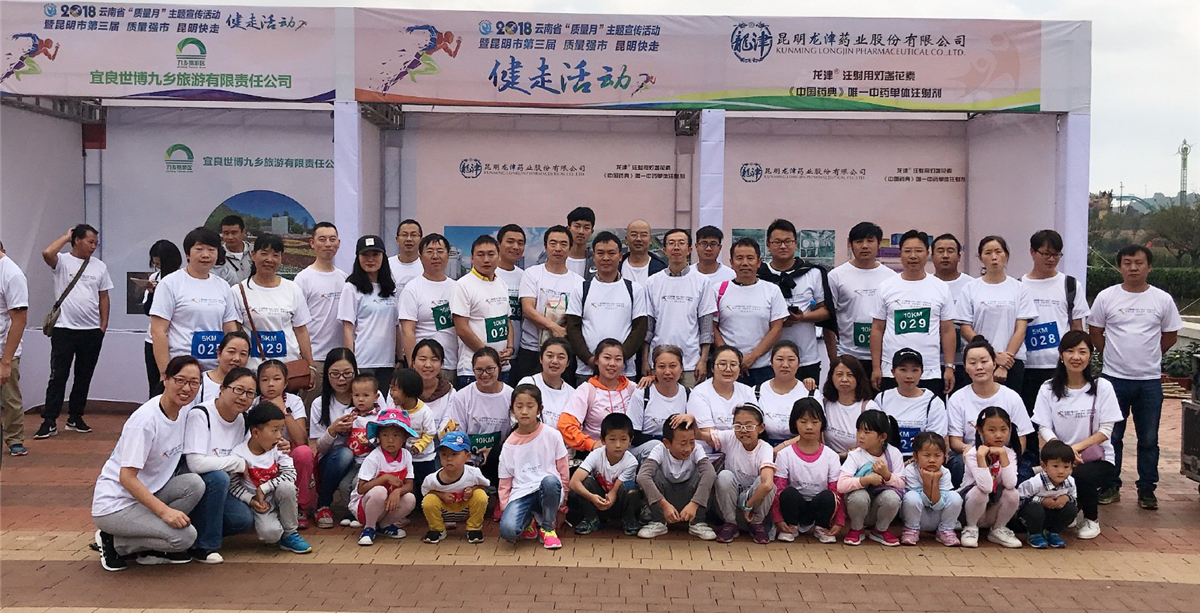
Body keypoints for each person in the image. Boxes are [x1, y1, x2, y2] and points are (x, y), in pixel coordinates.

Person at [1088, 244, 1182, 510]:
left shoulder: (1162, 299)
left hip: (1149, 382)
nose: (1133, 268)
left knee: (1149, 438)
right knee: (1112, 436)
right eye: (1127, 263)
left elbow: (1170, 335)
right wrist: (1110, 355)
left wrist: (1151, 355)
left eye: (1139, 263)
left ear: (1149, 267)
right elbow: (1095, 331)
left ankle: (1147, 489)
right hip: (1113, 380)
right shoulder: (1107, 297)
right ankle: (1110, 485)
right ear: (1119, 267)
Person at [91, 356, 207, 571]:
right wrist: (165, 512)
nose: (186, 388)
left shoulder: (184, 410)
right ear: (165, 379)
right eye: (180, 380)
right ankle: (114, 542)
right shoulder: (145, 421)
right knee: (185, 538)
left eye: (194, 382)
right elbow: (126, 478)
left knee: (194, 484)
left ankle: (150, 543)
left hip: (149, 494)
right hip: (116, 505)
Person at [1032, 330, 1120, 540]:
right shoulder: (1048, 388)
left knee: (1083, 475)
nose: (1076, 357)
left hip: (1097, 458)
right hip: (1059, 458)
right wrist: (1063, 452)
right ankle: (1069, 511)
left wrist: (1073, 450)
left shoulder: (1102, 387)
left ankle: (1091, 519)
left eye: (1082, 351)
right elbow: (1043, 426)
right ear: (1061, 355)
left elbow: (1105, 431)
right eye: (1070, 351)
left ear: (1090, 355)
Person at [36, 224, 113, 437]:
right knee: (58, 375)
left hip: (91, 330)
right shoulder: (62, 261)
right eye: (90, 242)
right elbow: (47, 253)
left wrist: (103, 326)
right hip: (64, 328)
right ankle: (49, 419)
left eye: (96, 243)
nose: (93, 246)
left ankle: (75, 416)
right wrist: (65, 236)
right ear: (77, 240)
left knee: (83, 376)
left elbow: (104, 296)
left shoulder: (99, 267)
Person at [1020, 229, 1089, 456]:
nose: (1051, 259)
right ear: (1032, 252)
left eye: (1056, 254)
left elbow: (1077, 328)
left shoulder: (1070, 285)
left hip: (1058, 366)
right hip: (1027, 365)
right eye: (1046, 253)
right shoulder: (1019, 285)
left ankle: (1064, 461)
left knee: (1061, 418)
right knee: (1028, 420)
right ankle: (1030, 462)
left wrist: (1078, 361)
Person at [182, 367, 257, 564]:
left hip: (224, 488)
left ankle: (192, 534)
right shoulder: (201, 414)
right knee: (218, 476)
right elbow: (195, 464)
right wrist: (235, 462)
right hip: (193, 486)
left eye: (250, 393)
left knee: (242, 520)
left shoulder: (243, 420)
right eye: (238, 390)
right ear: (222, 389)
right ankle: (206, 546)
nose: (243, 397)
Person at [150, 227, 239, 390]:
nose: (206, 255)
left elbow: (230, 329)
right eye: (199, 249)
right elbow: (158, 331)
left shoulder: (223, 286)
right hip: (181, 369)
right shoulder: (170, 283)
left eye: (211, 250)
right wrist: (165, 373)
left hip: (216, 371)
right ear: (188, 254)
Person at [870, 230, 956, 397]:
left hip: (929, 371)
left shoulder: (941, 287)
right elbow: (877, 329)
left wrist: (949, 367)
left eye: (918, 251)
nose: (913, 256)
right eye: (908, 251)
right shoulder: (886, 287)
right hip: (892, 370)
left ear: (927, 254)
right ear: (900, 254)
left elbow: (947, 330)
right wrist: (876, 367)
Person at [946, 338, 1036, 486]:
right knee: (958, 465)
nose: (979, 367)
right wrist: (970, 451)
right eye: (972, 363)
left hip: (1005, 454)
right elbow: (954, 440)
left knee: (1023, 474)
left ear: (994, 363)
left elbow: (1021, 438)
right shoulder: (957, 399)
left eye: (984, 361)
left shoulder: (1011, 397)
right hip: (973, 456)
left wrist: (1007, 456)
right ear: (966, 367)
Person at [956, 236, 1037, 395]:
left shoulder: (1020, 289)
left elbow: (1021, 329)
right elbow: (965, 328)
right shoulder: (970, 288)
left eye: (998, 252)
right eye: (988, 253)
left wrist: (1004, 364)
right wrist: (991, 355)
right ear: (980, 258)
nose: (994, 257)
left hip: (1011, 361)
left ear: (1006, 255)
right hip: (978, 361)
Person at [229, 402, 312, 554]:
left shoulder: (278, 448)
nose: (279, 435)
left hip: (279, 496)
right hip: (261, 505)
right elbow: (233, 486)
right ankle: (276, 528)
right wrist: (251, 500)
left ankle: (290, 533)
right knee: (271, 536)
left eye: (281, 430)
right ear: (256, 433)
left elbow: (290, 475)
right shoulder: (238, 454)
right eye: (274, 430)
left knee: (287, 487)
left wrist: (264, 488)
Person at [566, 232, 648, 383]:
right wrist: (590, 359)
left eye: (611, 253)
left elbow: (639, 329)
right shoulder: (581, 289)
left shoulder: (634, 289)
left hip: (624, 372)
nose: (605, 258)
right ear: (593, 256)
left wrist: (618, 360)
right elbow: (573, 329)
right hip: (587, 370)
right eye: (600, 253)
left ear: (620, 256)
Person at [689, 405, 776, 544]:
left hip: (754, 505)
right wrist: (691, 419)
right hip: (732, 504)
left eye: (749, 426)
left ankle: (757, 524)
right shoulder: (731, 437)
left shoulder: (765, 448)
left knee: (765, 481)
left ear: (761, 428)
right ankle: (730, 524)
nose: (743, 430)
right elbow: (699, 435)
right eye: (738, 426)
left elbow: (767, 485)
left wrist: (749, 505)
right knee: (724, 476)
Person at [497, 384, 569, 549]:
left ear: (539, 409)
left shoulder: (552, 435)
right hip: (522, 492)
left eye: (530, 406)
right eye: (519, 406)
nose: (524, 411)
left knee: (550, 481)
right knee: (508, 531)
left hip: (548, 490)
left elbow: (563, 468)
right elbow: (505, 481)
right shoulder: (509, 444)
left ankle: (548, 528)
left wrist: (564, 499)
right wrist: (506, 509)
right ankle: (528, 521)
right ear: (512, 410)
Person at [758, 219, 829, 383]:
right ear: (768, 245)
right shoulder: (759, 275)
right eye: (777, 242)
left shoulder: (813, 273)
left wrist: (802, 317)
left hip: (806, 358)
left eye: (788, 241)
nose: (783, 246)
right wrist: (777, 320)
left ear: (796, 244)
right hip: (767, 359)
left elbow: (826, 310)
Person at [643, 228, 716, 387]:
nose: (676, 247)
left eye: (681, 243)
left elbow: (706, 327)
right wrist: (645, 360)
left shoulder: (702, 282)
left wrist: (703, 360)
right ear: (664, 250)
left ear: (689, 249)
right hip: (659, 361)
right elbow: (648, 327)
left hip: (691, 362)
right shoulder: (652, 282)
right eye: (671, 243)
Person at [232, 233, 314, 372]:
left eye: (275, 255)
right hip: (253, 370)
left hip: (289, 369)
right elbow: (234, 333)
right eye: (264, 254)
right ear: (253, 255)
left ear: (281, 259)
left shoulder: (292, 289)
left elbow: (301, 331)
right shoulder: (238, 291)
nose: (269, 260)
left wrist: (309, 365)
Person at [825, 222, 896, 378]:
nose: (864, 246)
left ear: (879, 244)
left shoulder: (891, 277)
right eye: (859, 241)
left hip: (883, 357)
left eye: (870, 241)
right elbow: (829, 322)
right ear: (850, 244)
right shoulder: (836, 276)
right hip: (848, 355)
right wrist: (834, 360)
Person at [713, 238, 787, 386]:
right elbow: (712, 327)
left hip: (763, 367)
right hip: (727, 369)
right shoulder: (718, 290)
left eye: (750, 258)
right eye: (739, 258)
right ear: (731, 262)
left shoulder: (772, 290)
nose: (745, 263)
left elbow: (777, 328)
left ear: (758, 262)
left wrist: (753, 356)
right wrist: (731, 359)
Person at [771, 398, 843, 544]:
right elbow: (778, 489)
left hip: (819, 506)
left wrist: (840, 521)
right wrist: (778, 519)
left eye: (815, 422)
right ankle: (791, 526)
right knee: (788, 493)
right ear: (795, 423)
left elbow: (837, 491)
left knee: (829, 496)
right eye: (803, 422)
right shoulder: (785, 454)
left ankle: (821, 527)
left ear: (822, 424)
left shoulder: (831, 456)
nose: (809, 427)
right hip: (795, 506)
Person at [515, 226, 582, 383]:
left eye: (563, 244)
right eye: (553, 243)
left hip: (562, 352)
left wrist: (564, 331)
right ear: (545, 246)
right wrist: (554, 327)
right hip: (532, 350)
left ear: (570, 248)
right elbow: (528, 309)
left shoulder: (579, 282)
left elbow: (578, 317)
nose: (558, 248)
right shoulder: (532, 274)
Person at [635, 417, 718, 540]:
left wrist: (694, 504)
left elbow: (710, 474)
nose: (688, 448)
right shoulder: (659, 450)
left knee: (706, 474)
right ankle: (658, 521)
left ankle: (697, 522)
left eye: (692, 442)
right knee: (652, 474)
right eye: (683, 443)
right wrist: (664, 505)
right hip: (666, 498)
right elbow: (642, 476)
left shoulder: (697, 450)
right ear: (667, 443)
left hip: (690, 497)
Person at [255, 359, 314, 529]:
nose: (270, 384)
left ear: (286, 382)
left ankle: (300, 506)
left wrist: (283, 411)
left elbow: (301, 440)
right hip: (263, 453)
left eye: (276, 379)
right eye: (264, 379)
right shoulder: (253, 403)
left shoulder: (294, 401)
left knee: (303, 452)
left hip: (289, 451)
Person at [440, 348, 514, 484]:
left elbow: (516, 433)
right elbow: (459, 434)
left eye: (490, 369)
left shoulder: (510, 395)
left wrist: (494, 451)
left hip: (500, 457)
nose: (485, 374)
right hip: (468, 460)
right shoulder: (462, 396)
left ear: (499, 367)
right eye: (479, 370)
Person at [293, 222, 346, 409]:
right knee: (310, 410)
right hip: (314, 358)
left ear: (338, 243)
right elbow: (297, 323)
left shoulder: (345, 278)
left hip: (340, 358)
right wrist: (307, 361)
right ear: (312, 243)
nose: (328, 244)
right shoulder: (303, 279)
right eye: (322, 239)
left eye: (332, 239)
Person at [338, 235, 400, 391]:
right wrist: (350, 363)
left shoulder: (391, 288)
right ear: (358, 258)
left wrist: (400, 358)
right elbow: (348, 328)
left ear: (383, 257)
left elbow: (396, 326)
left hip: (387, 363)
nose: (370, 259)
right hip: (363, 362)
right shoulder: (351, 288)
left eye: (375, 254)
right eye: (365, 255)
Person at [451, 236, 513, 388]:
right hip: (474, 371)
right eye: (480, 254)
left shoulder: (501, 283)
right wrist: (489, 356)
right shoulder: (463, 285)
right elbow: (462, 329)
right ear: (472, 258)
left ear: (499, 256)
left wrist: (510, 348)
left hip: (502, 368)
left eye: (491, 254)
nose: (486, 259)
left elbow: (507, 320)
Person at [310, 348, 362, 529]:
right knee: (345, 454)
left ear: (356, 372)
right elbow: (319, 449)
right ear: (326, 375)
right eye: (335, 374)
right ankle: (323, 504)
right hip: (333, 461)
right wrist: (332, 431)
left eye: (347, 373)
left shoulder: (369, 396)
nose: (341, 379)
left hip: (365, 457)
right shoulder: (319, 404)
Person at [558, 338, 640, 453]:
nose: (612, 364)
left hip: (627, 451)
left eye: (618, 359)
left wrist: (651, 379)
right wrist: (591, 444)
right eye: (607, 358)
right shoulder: (587, 390)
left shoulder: (632, 389)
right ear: (596, 360)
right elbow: (565, 425)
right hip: (597, 452)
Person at [567, 413, 642, 536]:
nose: (618, 445)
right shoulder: (596, 454)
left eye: (623, 439)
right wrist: (592, 497)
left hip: (618, 501)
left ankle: (629, 519)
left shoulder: (631, 462)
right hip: (597, 499)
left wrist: (609, 500)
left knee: (630, 488)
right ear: (602, 440)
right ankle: (591, 518)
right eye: (612, 439)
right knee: (586, 481)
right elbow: (574, 482)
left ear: (630, 440)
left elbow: (615, 489)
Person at [351, 408, 418, 546]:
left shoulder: (406, 455)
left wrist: (397, 492)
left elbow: (409, 484)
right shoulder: (374, 457)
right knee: (379, 491)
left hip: (387, 506)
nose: (390, 440)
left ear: (404, 438)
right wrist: (384, 478)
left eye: (396, 435)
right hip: (366, 507)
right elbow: (361, 489)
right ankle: (369, 528)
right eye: (385, 435)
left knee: (410, 499)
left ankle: (384, 526)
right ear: (378, 437)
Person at [837, 410, 903, 546]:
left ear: (882, 437)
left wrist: (887, 475)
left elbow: (902, 484)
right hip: (858, 507)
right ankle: (856, 529)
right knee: (858, 496)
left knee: (892, 497)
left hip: (879, 507)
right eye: (858, 431)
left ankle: (880, 530)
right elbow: (841, 485)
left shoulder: (894, 453)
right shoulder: (855, 455)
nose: (861, 436)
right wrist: (865, 480)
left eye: (867, 432)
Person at [959, 407, 1022, 549]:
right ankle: (970, 528)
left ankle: (999, 528)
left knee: (1012, 493)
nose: (998, 435)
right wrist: (981, 457)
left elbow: (1010, 483)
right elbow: (986, 487)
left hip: (993, 507)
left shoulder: (1010, 453)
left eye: (1003, 430)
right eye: (992, 430)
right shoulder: (973, 454)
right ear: (980, 430)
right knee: (979, 492)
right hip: (970, 507)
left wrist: (1003, 455)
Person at [399, 233, 459, 376]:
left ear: (447, 255)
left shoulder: (457, 287)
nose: (435, 256)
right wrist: (413, 366)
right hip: (423, 367)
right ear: (420, 257)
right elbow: (408, 331)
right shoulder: (412, 288)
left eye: (440, 251)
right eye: (430, 251)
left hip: (451, 363)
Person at [873, 349, 948, 459]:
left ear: (922, 372)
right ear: (893, 372)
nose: (909, 376)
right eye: (903, 370)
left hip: (920, 462)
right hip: (885, 460)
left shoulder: (933, 403)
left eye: (915, 370)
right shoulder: (882, 399)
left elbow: (935, 442)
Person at [421, 430, 491, 544]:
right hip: (444, 511)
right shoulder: (432, 479)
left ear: (467, 457)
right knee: (429, 500)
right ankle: (437, 529)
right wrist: (441, 495)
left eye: (454, 454)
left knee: (480, 495)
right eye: (444, 454)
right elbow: (426, 492)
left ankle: (474, 528)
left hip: (466, 509)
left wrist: (472, 490)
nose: (449, 459)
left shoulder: (474, 473)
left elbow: (485, 486)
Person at [628, 345, 691, 459]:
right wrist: (666, 443)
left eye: (673, 366)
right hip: (645, 448)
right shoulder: (642, 393)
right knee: (656, 447)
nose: (667, 372)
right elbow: (633, 436)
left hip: (678, 448)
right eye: (661, 366)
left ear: (681, 368)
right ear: (654, 370)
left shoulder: (689, 394)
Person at [899, 432, 961, 547]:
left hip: (938, 515)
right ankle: (911, 530)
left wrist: (935, 482)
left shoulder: (945, 472)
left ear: (944, 456)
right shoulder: (910, 471)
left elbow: (938, 506)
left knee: (955, 497)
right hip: (919, 516)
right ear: (915, 456)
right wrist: (927, 481)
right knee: (911, 496)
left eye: (937, 456)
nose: (932, 460)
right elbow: (925, 502)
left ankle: (945, 530)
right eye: (926, 455)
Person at [688, 345, 756, 448]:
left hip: (742, 451)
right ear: (712, 368)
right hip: (709, 453)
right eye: (722, 364)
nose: (728, 369)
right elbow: (710, 438)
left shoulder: (747, 392)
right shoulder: (699, 393)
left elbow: (753, 431)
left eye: (733, 365)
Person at [755, 341, 818, 446]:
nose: (785, 365)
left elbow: (817, 430)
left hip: (801, 448)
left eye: (791, 360)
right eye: (780, 359)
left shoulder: (810, 392)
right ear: (771, 363)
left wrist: (783, 446)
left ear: (798, 364)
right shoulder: (756, 392)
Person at [1017, 440, 1078, 549]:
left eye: (1066, 467)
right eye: (1055, 466)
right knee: (1035, 510)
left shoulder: (1070, 482)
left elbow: (1074, 497)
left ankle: (1052, 532)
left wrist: (1066, 498)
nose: (1061, 471)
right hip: (1031, 517)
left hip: (1052, 514)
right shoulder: (1035, 483)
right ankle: (1034, 534)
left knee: (1071, 509)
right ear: (1044, 466)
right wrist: (1042, 501)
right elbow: (1020, 500)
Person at [141, 240, 183, 395]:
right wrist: (152, 293)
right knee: (156, 385)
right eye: (155, 263)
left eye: (160, 263)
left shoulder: (181, 279)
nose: (157, 266)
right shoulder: (155, 276)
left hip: (177, 341)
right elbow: (147, 310)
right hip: (153, 340)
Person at [0, 241, 29, 457]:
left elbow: (19, 319)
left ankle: (14, 438)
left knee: (10, 398)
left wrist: (6, 360)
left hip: (4, 347)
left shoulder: (12, 274)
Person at [932, 234, 971, 391]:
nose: (945, 255)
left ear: (959, 256)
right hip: (932, 363)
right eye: (940, 251)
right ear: (932, 256)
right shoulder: (926, 284)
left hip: (965, 362)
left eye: (950, 251)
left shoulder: (971, 285)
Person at [820, 356, 880, 457]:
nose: (844, 379)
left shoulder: (869, 407)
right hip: (828, 460)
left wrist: (841, 456)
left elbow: (874, 444)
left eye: (850, 375)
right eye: (839, 374)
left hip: (859, 460)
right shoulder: (823, 403)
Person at [389, 368, 437, 491]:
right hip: (402, 457)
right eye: (390, 388)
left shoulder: (425, 412)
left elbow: (430, 433)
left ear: (408, 391)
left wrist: (419, 446)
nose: (391, 393)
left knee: (425, 487)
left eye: (394, 389)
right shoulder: (394, 408)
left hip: (423, 458)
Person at [517, 337, 576, 432]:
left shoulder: (573, 394)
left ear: (568, 362)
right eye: (550, 356)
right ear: (541, 359)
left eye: (561, 357)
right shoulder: (528, 383)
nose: (555, 361)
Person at [494, 224, 527, 378]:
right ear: (499, 244)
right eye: (510, 241)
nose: (515, 247)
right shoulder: (489, 274)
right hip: (493, 353)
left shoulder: (525, 277)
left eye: (520, 243)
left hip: (519, 353)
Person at [192, 331, 251, 408]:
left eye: (243, 354)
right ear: (219, 353)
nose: (237, 358)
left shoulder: (250, 387)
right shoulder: (200, 382)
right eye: (231, 352)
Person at [412, 339, 455, 422]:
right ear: (413, 363)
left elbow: (447, 423)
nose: (428, 365)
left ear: (441, 364)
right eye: (422, 359)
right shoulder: (400, 388)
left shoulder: (450, 393)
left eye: (434, 360)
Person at [620, 219, 665, 284]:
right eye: (634, 235)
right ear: (626, 239)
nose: (638, 239)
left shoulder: (661, 269)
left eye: (643, 235)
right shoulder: (616, 267)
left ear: (650, 240)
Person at [213, 215, 252, 286]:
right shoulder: (217, 256)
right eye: (226, 233)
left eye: (234, 233)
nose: (230, 237)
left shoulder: (254, 251)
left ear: (243, 232)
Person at [388, 219, 424, 292]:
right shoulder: (387, 264)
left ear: (421, 240)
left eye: (413, 235)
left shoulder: (427, 265)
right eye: (404, 235)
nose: (409, 239)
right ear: (397, 239)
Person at [565, 206, 596, 278]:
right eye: (577, 226)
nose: (581, 232)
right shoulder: (553, 257)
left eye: (586, 228)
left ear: (591, 232)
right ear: (568, 229)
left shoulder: (595, 261)